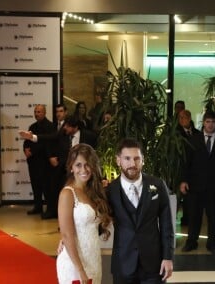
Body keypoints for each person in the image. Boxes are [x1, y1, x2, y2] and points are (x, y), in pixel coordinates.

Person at [107, 138, 174, 283]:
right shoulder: (110, 191)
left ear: (143, 160)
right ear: (118, 160)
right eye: (127, 158)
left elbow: (166, 225)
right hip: (123, 263)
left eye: (137, 158)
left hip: (154, 264)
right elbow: (97, 221)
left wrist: (168, 257)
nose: (132, 164)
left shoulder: (157, 185)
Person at [180, 111, 215, 254]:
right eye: (207, 122)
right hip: (195, 185)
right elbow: (186, 162)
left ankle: (212, 243)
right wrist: (184, 180)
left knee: (214, 216)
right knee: (194, 216)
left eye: (213, 122)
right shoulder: (194, 139)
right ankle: (191, 242)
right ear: (203, 123)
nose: (210, 125)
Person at [56, 143, 111, 284]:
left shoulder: (93, 192)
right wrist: (81, 271)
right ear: (71, 168)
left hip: (93, 258)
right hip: (74, 264)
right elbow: (67, 235)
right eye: (78, 165)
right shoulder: (67, 193)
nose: (84, 169)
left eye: (87, 164)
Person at [23, 104, 55, 215]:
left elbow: (46, 143)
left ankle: (49, 209)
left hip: (44, 162)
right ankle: (38, 206)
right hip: (33, 162)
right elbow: (27, 141)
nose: (37, 114)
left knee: (46, 187)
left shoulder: (50, 126)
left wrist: (33, 151)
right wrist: (25, 150)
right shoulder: (32, 127)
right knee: (35, 186)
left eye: (39, 112)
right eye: (35, 111)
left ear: (44, 113)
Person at [177, 109, 201, 226]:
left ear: (189, 118)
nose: (182, 119)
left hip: (193, 170)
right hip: (178, 168)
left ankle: (188, 218)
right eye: (180, 117)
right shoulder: (175, 133)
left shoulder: (197, 133)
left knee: (189, 198)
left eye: (185, 117)